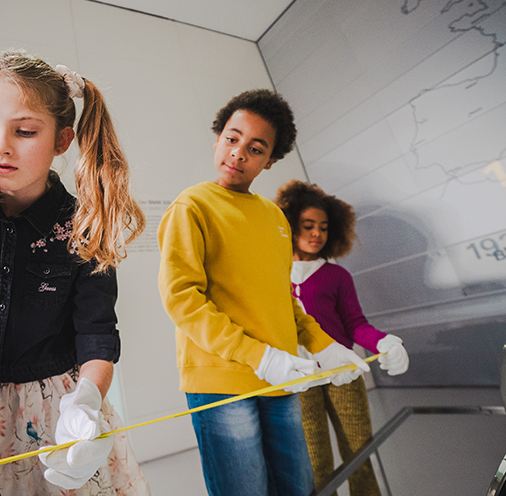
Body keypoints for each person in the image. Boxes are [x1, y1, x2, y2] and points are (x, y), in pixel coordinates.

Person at [0, 50, 150, 495]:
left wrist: (86, 402)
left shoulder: (82, 225)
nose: (0, 145)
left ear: (63, 140)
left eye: (24, 131)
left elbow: (97, 333)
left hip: (57, 410)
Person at [157, 89, 371, 496]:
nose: (238, 153)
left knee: (298, 487)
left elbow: (283, 298)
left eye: (255, 148)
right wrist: (261, 356)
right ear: (217, 138)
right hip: (222, 383)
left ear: (269, 161)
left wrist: (324, 345)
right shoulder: (192, 206)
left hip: (281, 379)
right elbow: (182, 299)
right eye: (232, 138)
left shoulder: (274, 217)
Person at [275, 180, 409, 496]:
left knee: (359, 451)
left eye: (323, 227)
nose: (316, 234)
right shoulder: (274, 275)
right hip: (299, 378)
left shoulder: (337, 276)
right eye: (308, 226)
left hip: (342, 373)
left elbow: (355, 324)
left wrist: (381, 341)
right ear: (290, 227)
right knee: (315, 461)